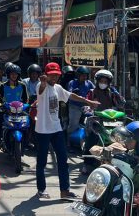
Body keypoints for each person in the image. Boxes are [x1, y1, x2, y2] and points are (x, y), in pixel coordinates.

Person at [35, 63, 100, 200]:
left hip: (56, 129)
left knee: (63, 160)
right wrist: (42, 83)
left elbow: (71, 96)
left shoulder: (58, 88)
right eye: (51, 74)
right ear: (46, 75)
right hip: (42, 130)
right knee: (42, 162)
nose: (54, 77)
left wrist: (88, 101)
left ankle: (64, 191)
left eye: (56, 74)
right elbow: (40, 91)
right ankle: (41, 189)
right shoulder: (42, 86)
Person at [81, 69, 126, 174]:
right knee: (92, 137)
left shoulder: (112, 93)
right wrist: (88, 110)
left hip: (111, 120)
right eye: (101, 81)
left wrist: (117, 94)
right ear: (97, 81)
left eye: (105, 82)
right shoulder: (91, 92)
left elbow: (121, 104)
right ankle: (87, 163)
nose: (103, 83)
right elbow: (86, 104)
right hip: (95, 119)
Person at [0, 64, 28, 152]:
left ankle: (27, 144)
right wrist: (2, 105)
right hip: (6, 110)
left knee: (28, 125)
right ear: (8, 75)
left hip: (19, 111)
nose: (14, 75)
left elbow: (25, 99)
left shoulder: (22, 85)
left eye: (16, 74)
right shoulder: (3, 85)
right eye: (12, 74)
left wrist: (26, 106)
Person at [67, 66, 95, 135]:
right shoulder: (72, 83)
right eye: (82, 75)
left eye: (85, 76)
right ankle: (69, 140)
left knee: (91, 122)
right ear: (78, 75)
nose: (84, 77)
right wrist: (74, 91)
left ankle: (88, 139)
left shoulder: (89, 83)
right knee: (73, 124)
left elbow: (95, 90)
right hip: (75, 106)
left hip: (86, 106)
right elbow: (69, 94)